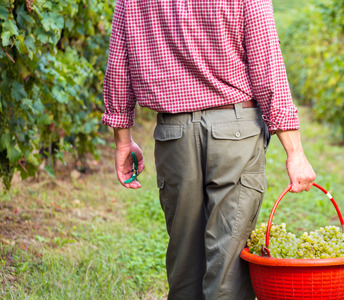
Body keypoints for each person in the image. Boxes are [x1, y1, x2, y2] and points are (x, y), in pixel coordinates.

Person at [102, 0, 316, 299]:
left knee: (184, 260)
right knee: (228, 263)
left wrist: (122, 139)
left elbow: (118, 63)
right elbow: (267, 61)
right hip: (236, 132)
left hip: (174, 134)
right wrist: (294, 152)